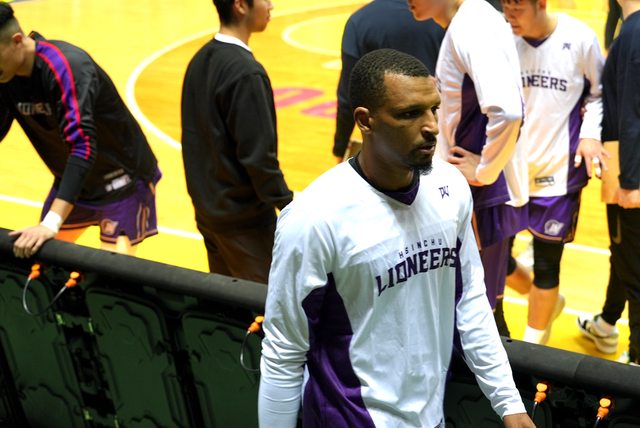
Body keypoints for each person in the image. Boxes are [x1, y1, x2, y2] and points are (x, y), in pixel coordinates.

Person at [259, 49, 535, 428]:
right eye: (409, 114)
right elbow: (283, 353)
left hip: (430, 418)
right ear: (365, 121)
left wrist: (509, 402)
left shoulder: (451, 187)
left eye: (433, 109)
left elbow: (470, 300)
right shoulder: (314, 219)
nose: (432, 126)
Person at [0, 3, 161, 258]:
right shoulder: (5, 75)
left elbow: (82, 145)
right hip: (73, 180)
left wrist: (51, 223)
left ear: (17, 41)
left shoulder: (66, 66)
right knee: (40, 264)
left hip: (122, 182)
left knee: (112, 274)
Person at [409, 0, 529, 336]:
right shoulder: (471, 20)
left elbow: (507, 111)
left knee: (475, 319)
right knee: (482, 312)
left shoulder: (472, 24)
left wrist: (484, 170)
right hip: (481, 191)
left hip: (482, 193)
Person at [500, 0, 606, 345]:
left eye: (517, 8)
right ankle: (546, 302)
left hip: (558, 175)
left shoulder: (580, 39)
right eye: (505, 7)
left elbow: (600, 93)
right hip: (509, 171)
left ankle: (533, 350)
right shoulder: (503, 39)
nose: (509, 15)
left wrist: (590, 134)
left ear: (541, 3)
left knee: (547, 265)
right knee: (497, 261)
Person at [181, 0, 293, 283]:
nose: (271, 5)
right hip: (245, 223)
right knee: (265, 304)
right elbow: (258, 158)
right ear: (241, 5)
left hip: (209, 213)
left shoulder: (199, 59)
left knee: (227, 304)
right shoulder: (245, 72)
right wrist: (288, 205)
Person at [577, 0, 640, 366]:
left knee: (634, 269)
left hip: (630, 172)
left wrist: (632, 181)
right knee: (624, 254)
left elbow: (633, 111)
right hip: (627, 165)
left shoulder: (633, 32)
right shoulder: (630, 29)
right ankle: (606, 323)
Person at [332, 0, 444, 162]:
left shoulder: (360, 20)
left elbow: (348, 96)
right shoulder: (439, 14)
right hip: (442, 136)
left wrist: (340, 147)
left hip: (390, 143)